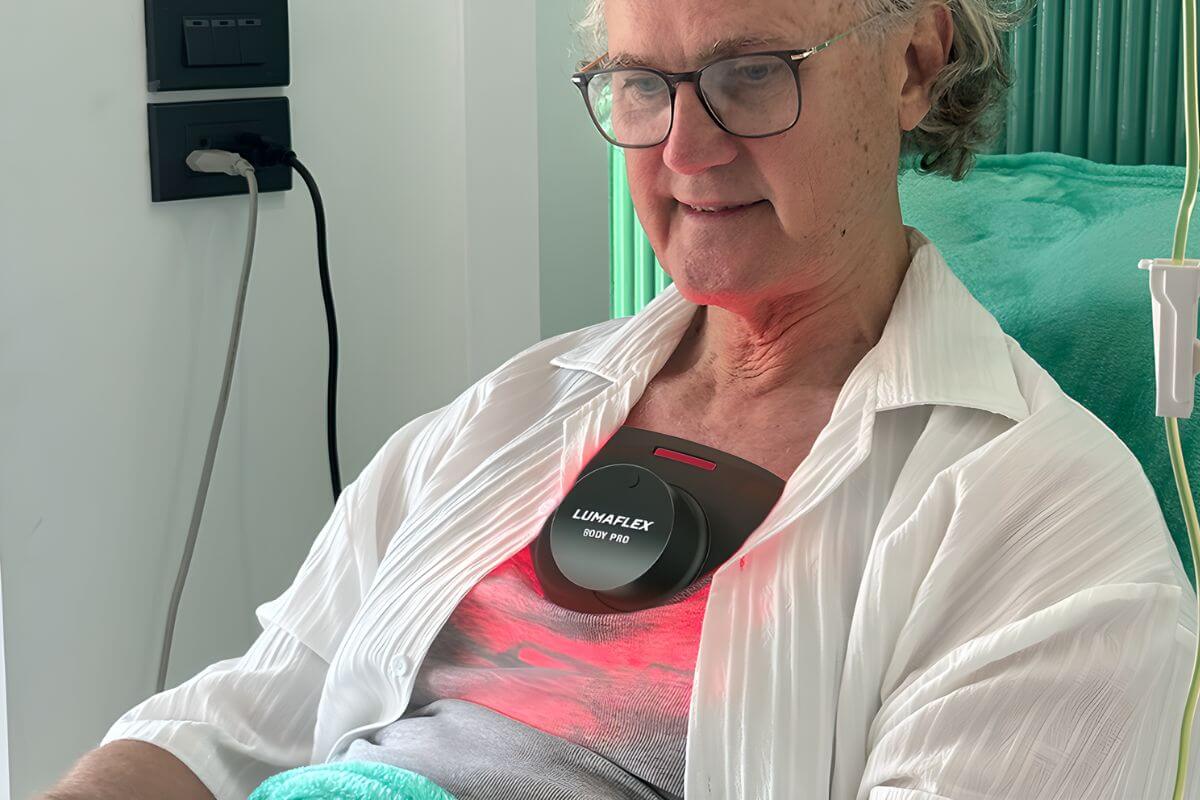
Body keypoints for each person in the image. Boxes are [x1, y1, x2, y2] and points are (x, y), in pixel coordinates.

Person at [40, 0, 1200, 798]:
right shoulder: (507, 413)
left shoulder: (1046, 520)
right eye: (643, 84)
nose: (685, 149)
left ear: (912, 62)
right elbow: (238, 719)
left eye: (752, 75)